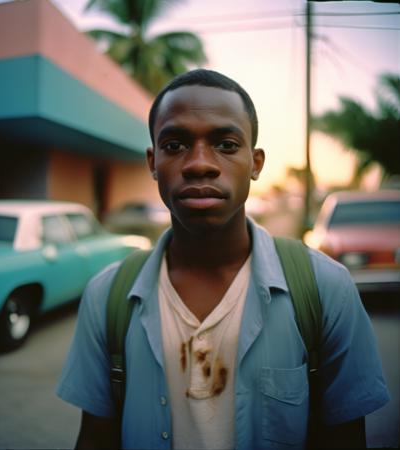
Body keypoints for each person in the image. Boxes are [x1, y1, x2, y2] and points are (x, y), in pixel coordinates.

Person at [56, 69, 389, 450]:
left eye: (227, 144)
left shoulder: (325, 288)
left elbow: (345, 437)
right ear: (152, 162)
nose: (199, 164)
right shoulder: (107, 296)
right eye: (175, 145)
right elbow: (96, 438)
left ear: (256, 163)